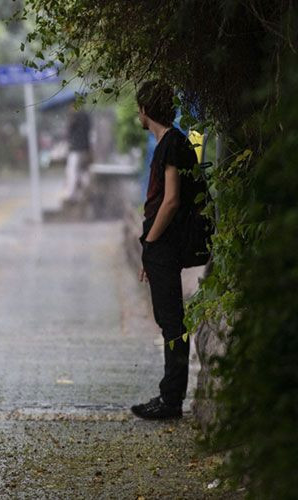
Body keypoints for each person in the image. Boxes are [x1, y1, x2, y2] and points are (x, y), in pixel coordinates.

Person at [131, 80, 199, 420]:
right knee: (168, 319)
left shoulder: (171, 144)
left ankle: (171, 399)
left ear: (145, 110)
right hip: (163, 246)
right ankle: (170, 395)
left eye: (138, 108)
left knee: (172, 322)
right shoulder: (172, 143)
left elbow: (170, 201)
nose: (137, 114)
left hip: (165, 244)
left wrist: (151, 241)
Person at [63, 104, 92, 202]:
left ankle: (72, 194)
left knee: (72, 170)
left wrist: (70, 117)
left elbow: (69, 131)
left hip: (75, 148)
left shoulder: (74, 117)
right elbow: (88, 131)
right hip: (85, 148)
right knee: (83, 171)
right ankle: (85, 192)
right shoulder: (86, 116)